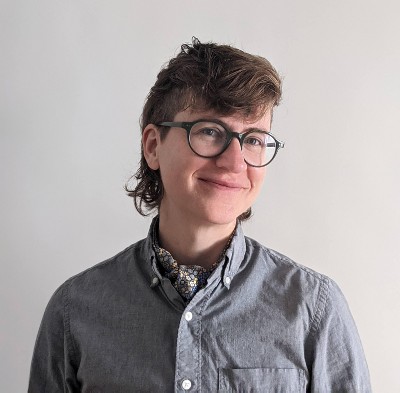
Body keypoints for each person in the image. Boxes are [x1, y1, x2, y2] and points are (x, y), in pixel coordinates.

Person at [28, 38, 371, 392]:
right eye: (210, 132)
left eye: (253, 139)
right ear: (153, 146)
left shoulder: (313, 309)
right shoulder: (74, 312)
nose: (234, 162)